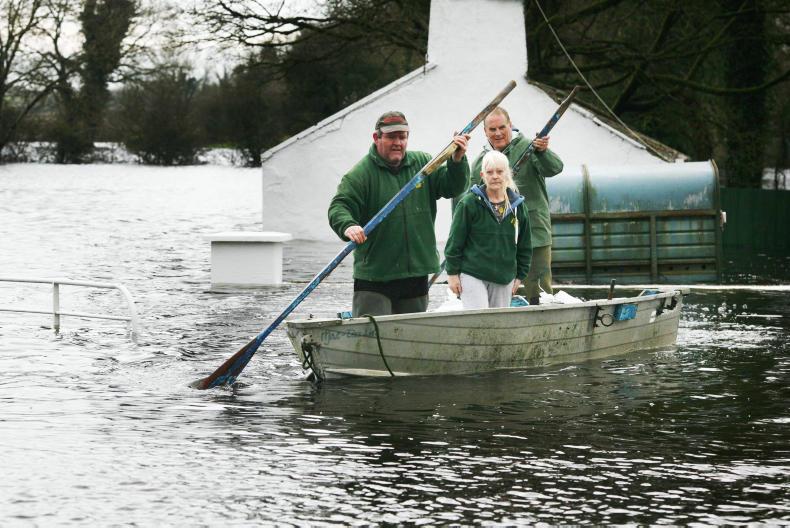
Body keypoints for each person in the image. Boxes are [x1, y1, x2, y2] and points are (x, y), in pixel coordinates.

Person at [328, 110, 470, 317]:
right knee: (374, 333)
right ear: (376, 138)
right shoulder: (360, 175)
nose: (398, 143)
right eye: (391, 137)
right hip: (375, 277)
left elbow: (452, 187)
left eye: (402, 137)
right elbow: (339, 207)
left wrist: (457, 160)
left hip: (415, 273)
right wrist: (348, 225)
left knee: (411, 332)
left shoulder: (423, 164)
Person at [470, 106, 563, 305]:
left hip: (534, 235)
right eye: (492, 129)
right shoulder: (480, 163)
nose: (498, 133)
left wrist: (543, 152)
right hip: (495, 241)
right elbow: (471, 204)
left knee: (540, 294)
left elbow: (555, 168)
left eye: (502, 127)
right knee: (498, 295)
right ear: (485, 132)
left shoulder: (532, 147)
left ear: (510, 125)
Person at [444, 150, 532, 310]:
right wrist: (452, 273)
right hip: (473, 273)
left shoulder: (518, 207)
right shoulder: (469, 204)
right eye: (490, 172)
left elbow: (525, 245)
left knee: (498, 321)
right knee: (479, 319)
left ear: (507, 174)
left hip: (504, 276)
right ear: (482, 175)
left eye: (499, 171)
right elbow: (455, 242)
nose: (495, 176)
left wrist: (520, 275)